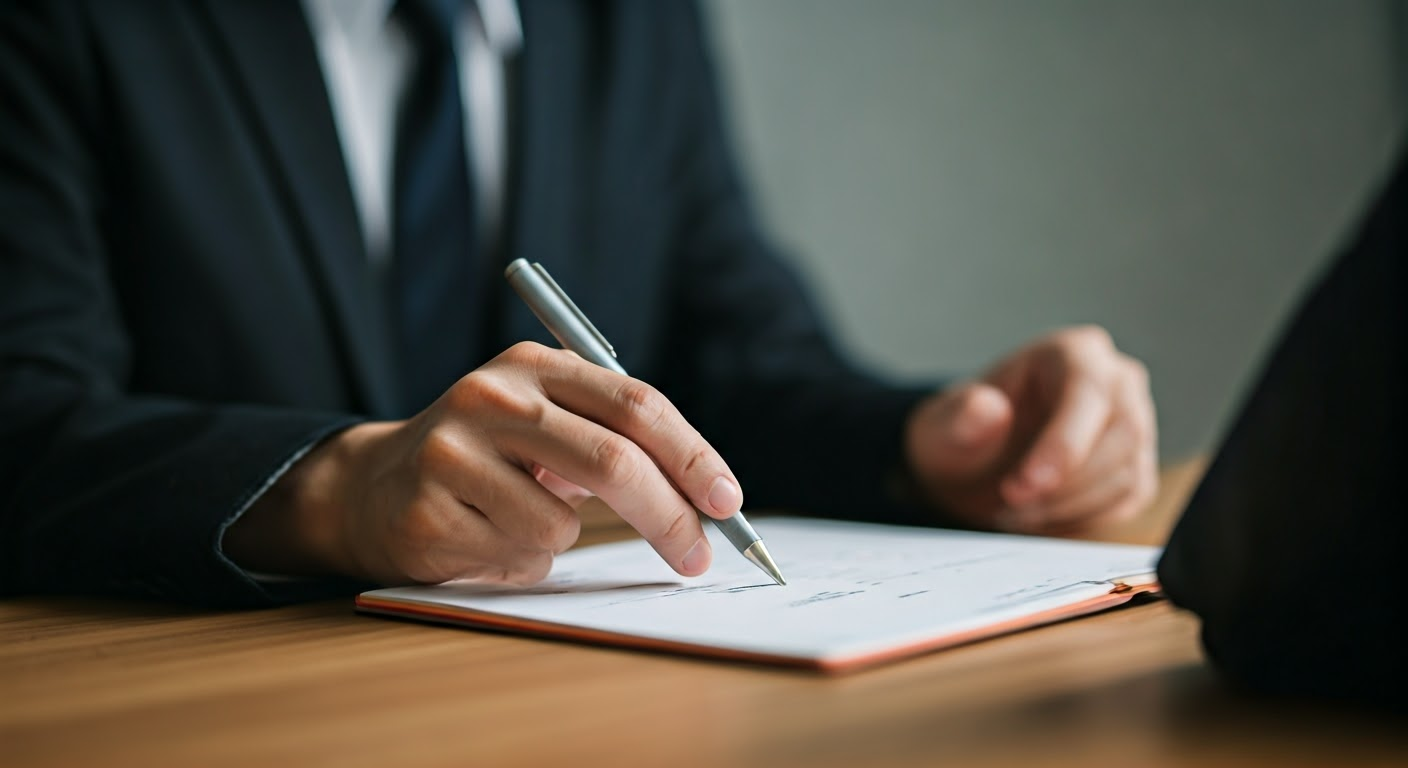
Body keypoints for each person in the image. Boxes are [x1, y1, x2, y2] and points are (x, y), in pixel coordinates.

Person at [0, 0, 1156, 608]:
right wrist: (343, 488)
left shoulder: (625, 17)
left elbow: (731, 362)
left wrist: (933, 447)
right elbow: (22, 412)